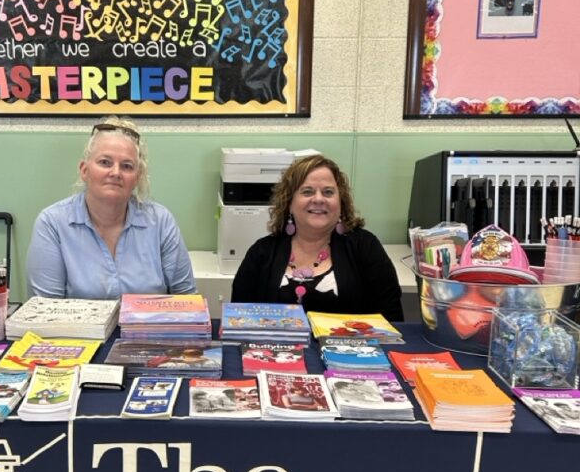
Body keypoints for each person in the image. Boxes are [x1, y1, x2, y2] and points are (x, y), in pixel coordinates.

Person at [26, 116, 196, 299]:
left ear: (137, 177)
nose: (115, 173)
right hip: (76, 328)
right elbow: (44, 312)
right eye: (105, 162)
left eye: (127, 166)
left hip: (150, 328)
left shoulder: (161, 222)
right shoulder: (52, 224)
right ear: (84, 170)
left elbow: (187, 300)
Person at [231, 154, 403, 321]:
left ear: (340, 202)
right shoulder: (262, 252)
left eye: (328, 192)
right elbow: (238, 319)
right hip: (274, 349)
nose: (319, 199)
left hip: (352, 349)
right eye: (307, 192)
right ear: (289, 203)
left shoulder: (365, 247)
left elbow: (391, 319)